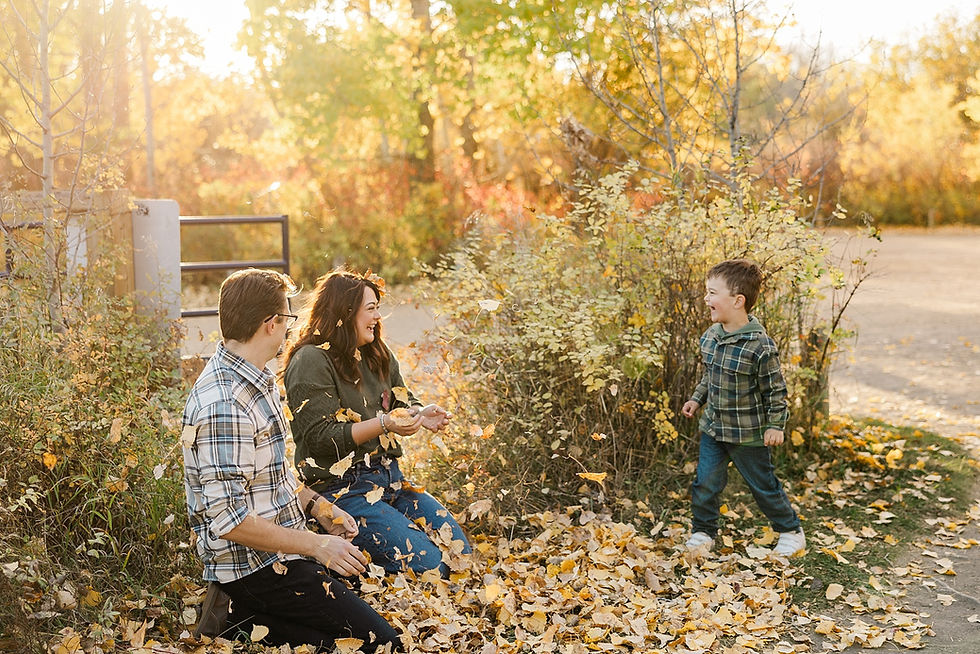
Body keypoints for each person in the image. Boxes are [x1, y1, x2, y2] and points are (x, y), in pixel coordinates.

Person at [181, 268, 401, 651]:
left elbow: (274, 478)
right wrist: (316, 547)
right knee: (382, 645)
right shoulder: (226, 404)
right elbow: (228, 521)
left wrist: (319, 507)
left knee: (333, 636)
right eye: (287, 317)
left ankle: (239, 621)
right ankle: (238, 609)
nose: (288, 327)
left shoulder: (255, 379)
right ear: (272, 323)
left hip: (284, 551)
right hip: (255, 568)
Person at [282, 269, 471, 576]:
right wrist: (383, 423)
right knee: (432, 567)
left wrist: (422, 413)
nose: (379, 316)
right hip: (344, 492)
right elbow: (320, 438)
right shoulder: (311, 360)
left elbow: (402, 401)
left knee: (461, 552)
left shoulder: (375, 353)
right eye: (370, 309)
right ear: (345, 313)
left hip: (391, 480)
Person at [680, 259, 805, 557]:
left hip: (749, 433)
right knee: (705, 482)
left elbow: (775, 390)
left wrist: (776, 425)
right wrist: (697, 399)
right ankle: (703, 531)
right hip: (713, 428)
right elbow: (710, 375)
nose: (706, 299)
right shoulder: (710, 337)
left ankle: (790, 530)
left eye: (712, 293)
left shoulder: (760, 346)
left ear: (738, 301)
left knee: (763, 485)